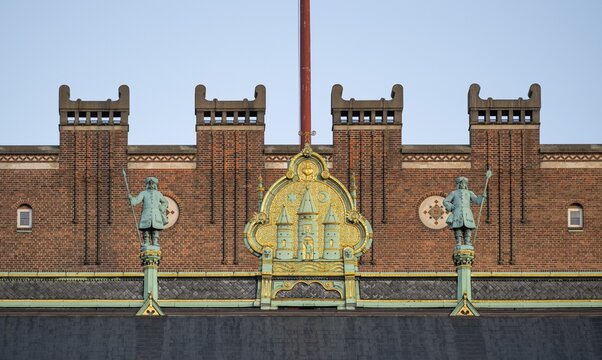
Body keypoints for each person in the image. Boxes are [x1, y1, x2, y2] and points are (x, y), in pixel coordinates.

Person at [443, 176, 486, 246]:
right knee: (457, 227)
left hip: (467, 212)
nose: (463, 185)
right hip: (457, 211)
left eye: (464, 183)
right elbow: (445, 201)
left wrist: (482, 197)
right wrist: (452, 207)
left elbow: (477, 200)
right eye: (461, 183)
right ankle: (458, 242)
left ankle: (467, 241)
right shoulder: (454, 193)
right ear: (458, 184)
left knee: (468, 227)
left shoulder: (469, 193)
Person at [129, 177, 169, 246]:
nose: (151, 185)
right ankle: (146, 242)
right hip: (146, 213)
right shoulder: (143, 193)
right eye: (150, 183)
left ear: (155, 185)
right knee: (146, 228)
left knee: (155, 228)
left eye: (153, 183)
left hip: (156, 213)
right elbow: (137, 200)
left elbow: (165, 202)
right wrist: (132, 199)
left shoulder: (158, 193)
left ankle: (155, 242)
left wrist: (161, 208)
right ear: (147, 184)